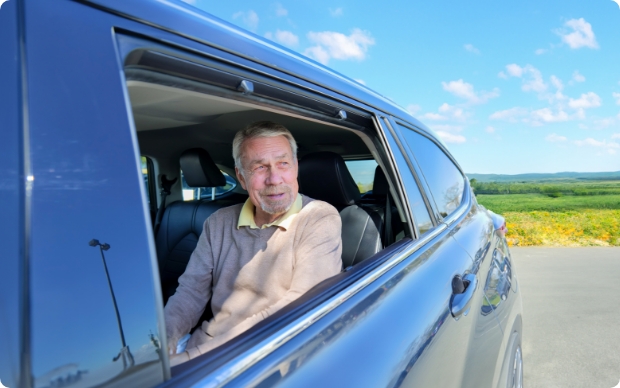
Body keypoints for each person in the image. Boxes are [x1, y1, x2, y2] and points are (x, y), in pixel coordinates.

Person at [164, 121, 343, 363]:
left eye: (283, 164)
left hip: (269, 354)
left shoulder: (319, 217)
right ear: (241, 177)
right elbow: (191, 291)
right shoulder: (219, 222)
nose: (274, 178)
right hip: (206, 346)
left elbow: (300, 308)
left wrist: (192, 360)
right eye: (259, 167)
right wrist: (162, 342)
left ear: (296, 167)